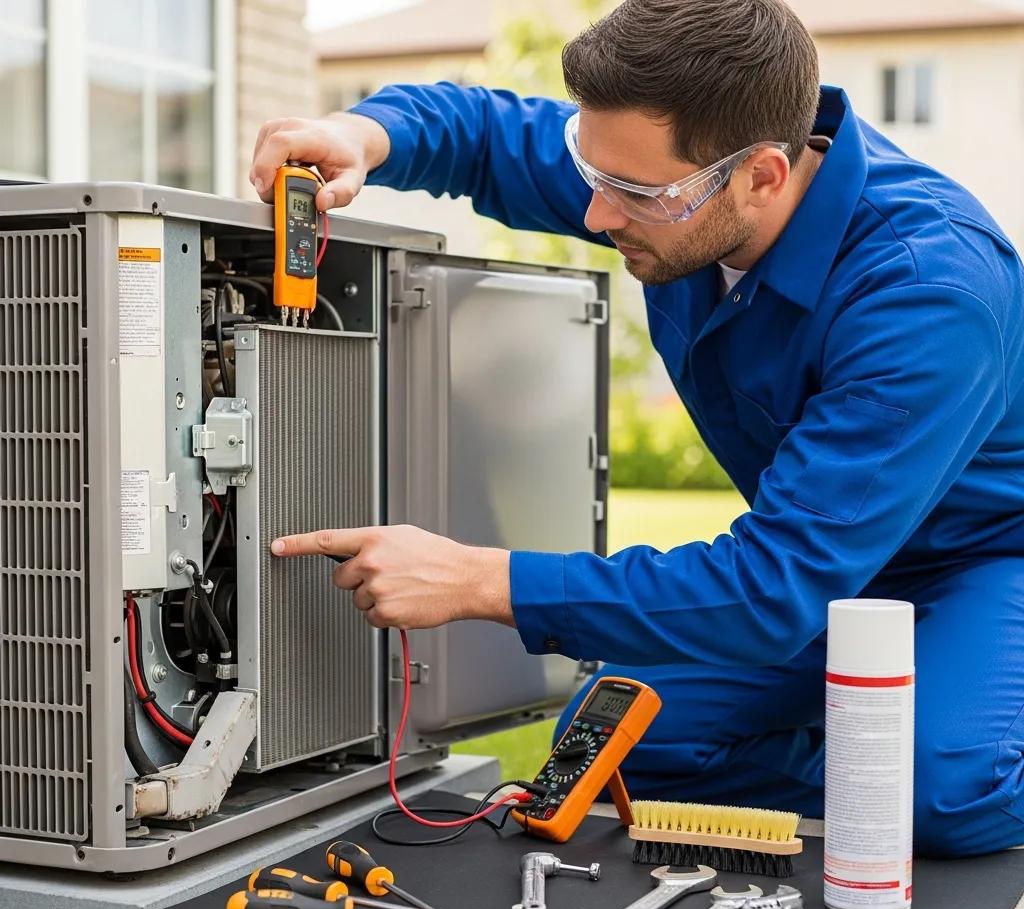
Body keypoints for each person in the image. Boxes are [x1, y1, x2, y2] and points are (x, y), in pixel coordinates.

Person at [252, 0, 1024, 857]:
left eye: (631, 194)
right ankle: (879, 749)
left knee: (942, 793)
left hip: (985, 560)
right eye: (594, 171)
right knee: (621, 743)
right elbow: (479, 131)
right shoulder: (671, 165)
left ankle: (935, 747)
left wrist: (481, 581)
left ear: (763, 175)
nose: (594, 215)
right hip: (830, 560)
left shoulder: (927, 294)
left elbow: (772, 588)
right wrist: (361, 133)